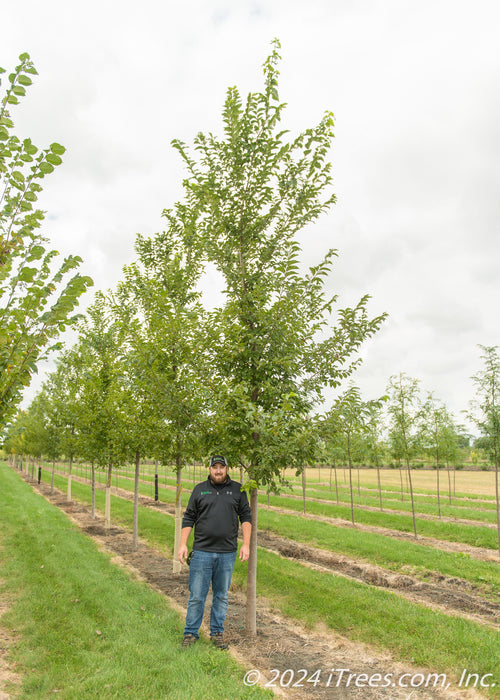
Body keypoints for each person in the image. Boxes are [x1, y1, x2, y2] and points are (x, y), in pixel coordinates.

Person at [178, 455, 252, 649]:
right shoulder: (199, 490)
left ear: (227, 469)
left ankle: (217, 632)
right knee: (197, 595)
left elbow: (246, 517)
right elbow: (189, 518)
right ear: (209, 469)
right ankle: (191, 633)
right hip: (202, 551)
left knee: (221, 595)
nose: (218, 471)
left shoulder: (237, 490)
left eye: (222, 467)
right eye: (214, 467)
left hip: (227, 552)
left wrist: (246, 544)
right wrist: (183, 544)